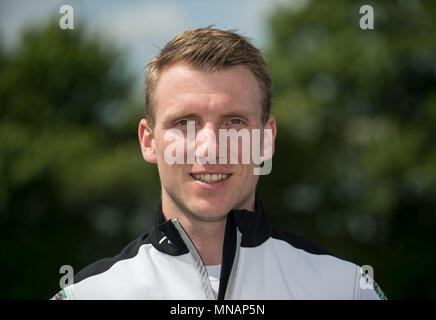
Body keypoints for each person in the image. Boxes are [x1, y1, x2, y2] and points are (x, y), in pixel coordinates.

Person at [51, 26, 387, 300]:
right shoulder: (88, 295)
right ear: (148, 141)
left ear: (266, 139)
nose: (210, 148)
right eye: (184, 123)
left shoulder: (346, 289)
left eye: (234, 122)